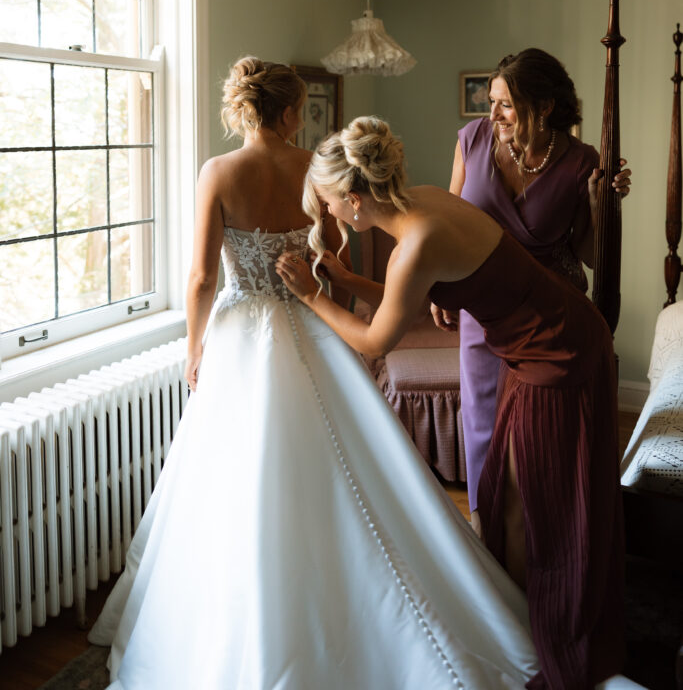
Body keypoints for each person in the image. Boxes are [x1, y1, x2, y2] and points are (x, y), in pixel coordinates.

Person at [88, 60, 539, 690]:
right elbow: (336, 256)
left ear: (244, 109)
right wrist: (324, 290)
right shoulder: (313, 169)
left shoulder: (218, 173)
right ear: (291, 111)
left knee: (238, 476)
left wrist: (194, 346)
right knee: (345, 464)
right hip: (311, 326)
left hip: (242, 336)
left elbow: (200, 278)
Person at [277, 116, 624, 690]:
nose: (329, 215)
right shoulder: (425, 202)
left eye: (329, 203)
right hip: (536, 344)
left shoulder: (416, 242)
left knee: (540, 500)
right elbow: (402, 298)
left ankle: (547, 625)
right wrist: (343, 278)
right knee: (504, 494)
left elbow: (374, 338)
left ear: (355, 200)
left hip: (557, 352)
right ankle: (515, 614)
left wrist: (314, 295)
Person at [433, 49, 631, 531]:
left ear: (544, 107)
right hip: (482, 310)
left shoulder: (584, 162)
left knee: (537, 434)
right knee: (482, 426)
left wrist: (601, 204)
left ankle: (544, 533)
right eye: (491, 101)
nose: (493, 113)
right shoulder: (472, 140)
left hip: (548, 318)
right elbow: (449, 222)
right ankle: (487, 536)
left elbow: (589, 253)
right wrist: (438, 288)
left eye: (505, 103)